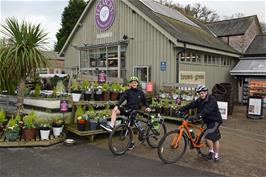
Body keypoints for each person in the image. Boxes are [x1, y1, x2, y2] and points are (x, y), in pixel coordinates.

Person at [179, 85, 223, 161]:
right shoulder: (199, 100)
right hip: (207, 121)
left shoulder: (212, 99)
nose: (201, 95)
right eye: (199, 94)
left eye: (202, 93)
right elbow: (191, 105)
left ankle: (212, 153)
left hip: (215, 120)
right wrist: (181, 109)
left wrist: (197, 116)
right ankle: (215, 155)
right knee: (214, 138)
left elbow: (206, 111)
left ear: (206, 92)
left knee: (208, 136)